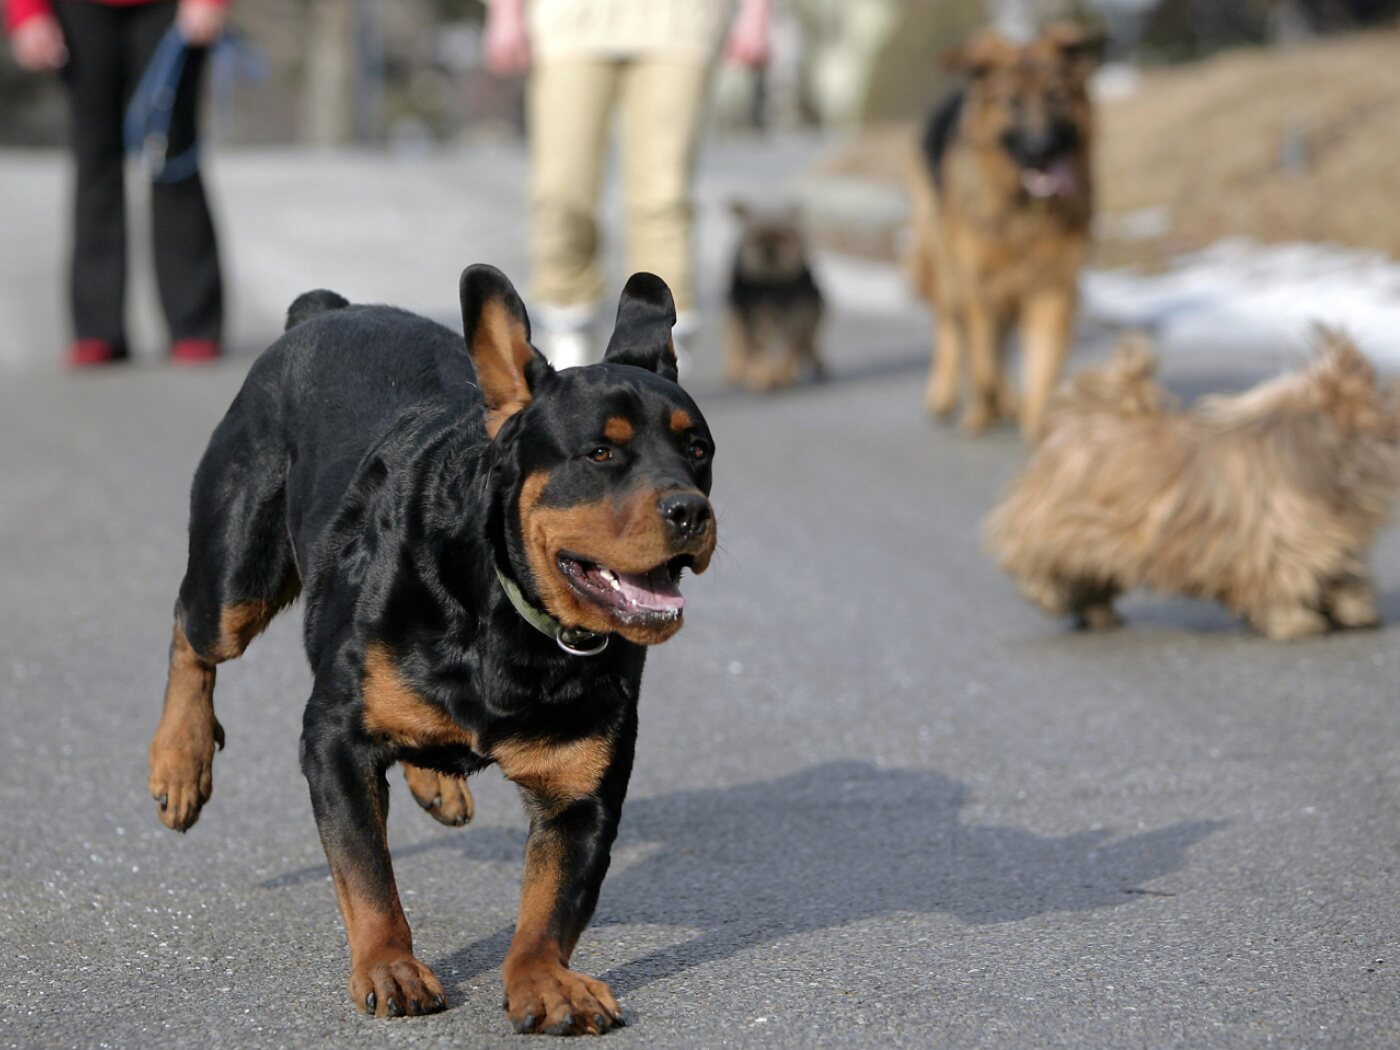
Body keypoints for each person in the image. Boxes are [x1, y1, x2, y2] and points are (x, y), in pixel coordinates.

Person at [485, 0, 771, 368]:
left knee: (662, 197)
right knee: (561, 192)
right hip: (568, 21)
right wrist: (504, 13)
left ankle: (660, 339)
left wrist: (756, 12)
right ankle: (569, 323)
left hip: (679, 21)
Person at [6, 0, 229, 367]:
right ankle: (97, 327)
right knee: (95, 159)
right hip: (79, 11)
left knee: (171, 155)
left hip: (168, 9)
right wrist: (27, 15)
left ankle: (194, 321)